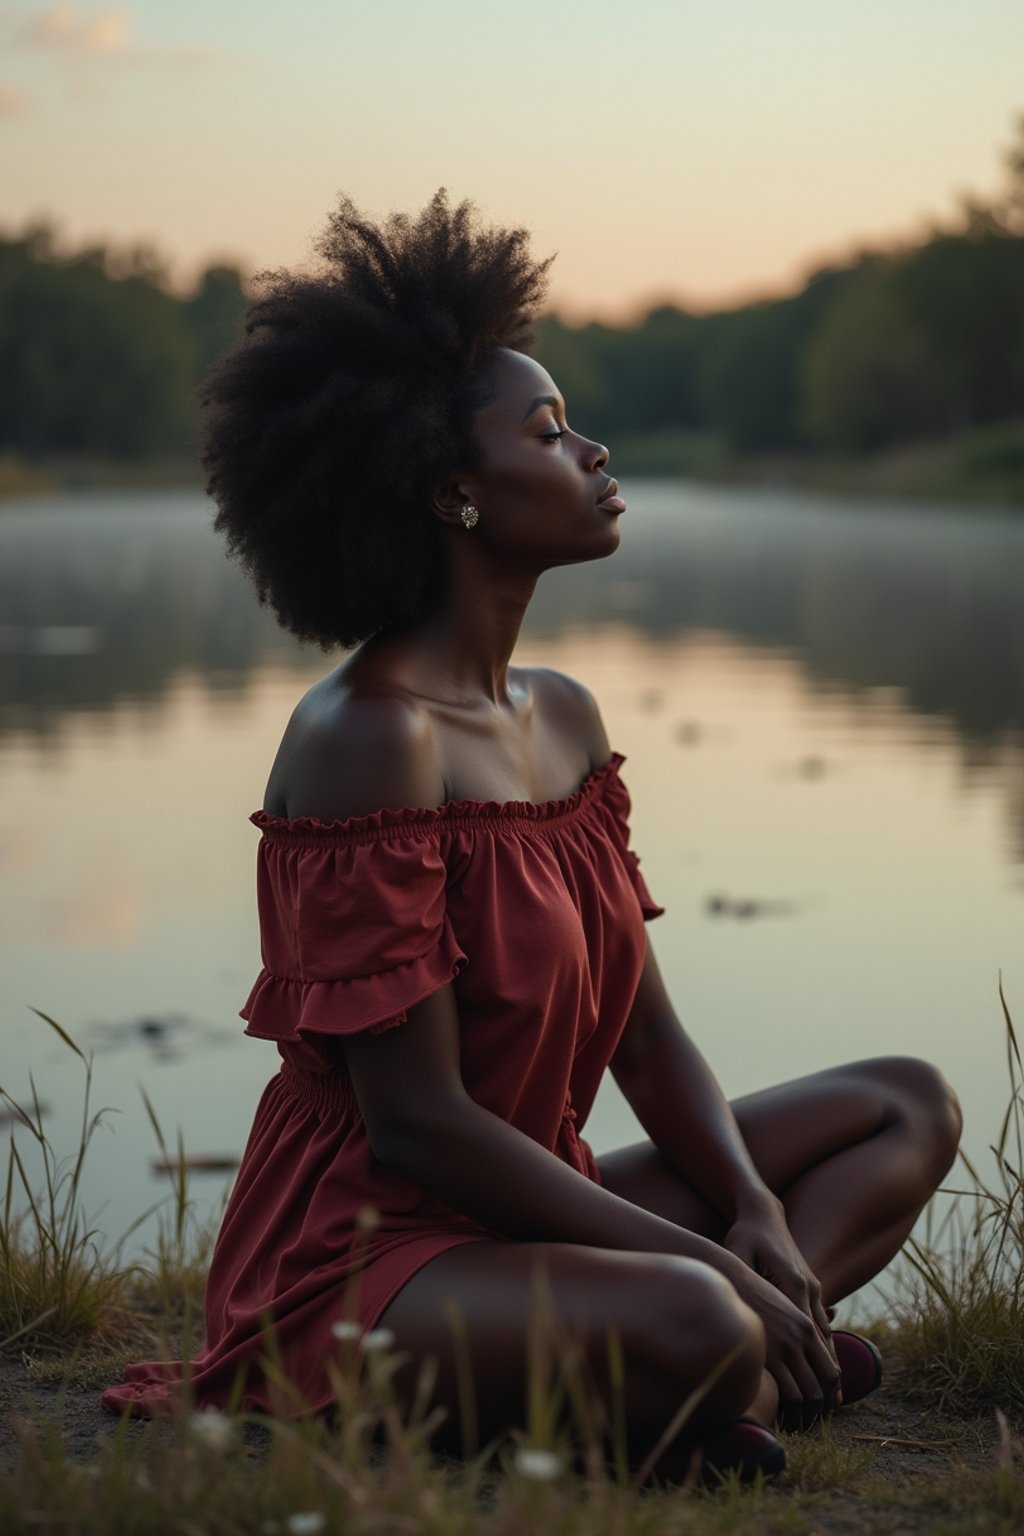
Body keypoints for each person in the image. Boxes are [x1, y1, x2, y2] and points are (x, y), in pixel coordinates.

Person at [102, 192, 962, 1480]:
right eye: (552, 432)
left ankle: (719, 1375)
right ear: (453, 490)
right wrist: (704, 1259)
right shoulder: (365, 738)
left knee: (907, 1105)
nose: (596, 452)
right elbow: (421, 1129)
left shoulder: (562, 715)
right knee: (698, 1309)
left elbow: (649, 1035)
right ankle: (711, 1362)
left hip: (537, 1214)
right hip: (374, 1257)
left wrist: (752, 1209)